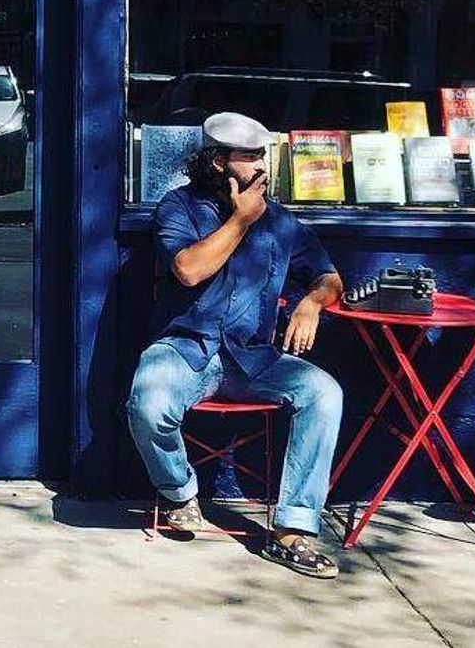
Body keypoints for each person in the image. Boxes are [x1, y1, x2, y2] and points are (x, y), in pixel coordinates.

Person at [127, 111, 346, 580]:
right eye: (250, 158)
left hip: (254, 359)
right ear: (217, 163)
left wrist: (312, 302)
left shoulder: (282, 222)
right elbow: (189, 269)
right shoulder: (179, 208)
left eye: (263, 156)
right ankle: (179, 492)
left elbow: (330, 278)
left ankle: (294, 529)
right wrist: (242, 221)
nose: (261, 168)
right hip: (186, 349)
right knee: (148, 402)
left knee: (324, 392)